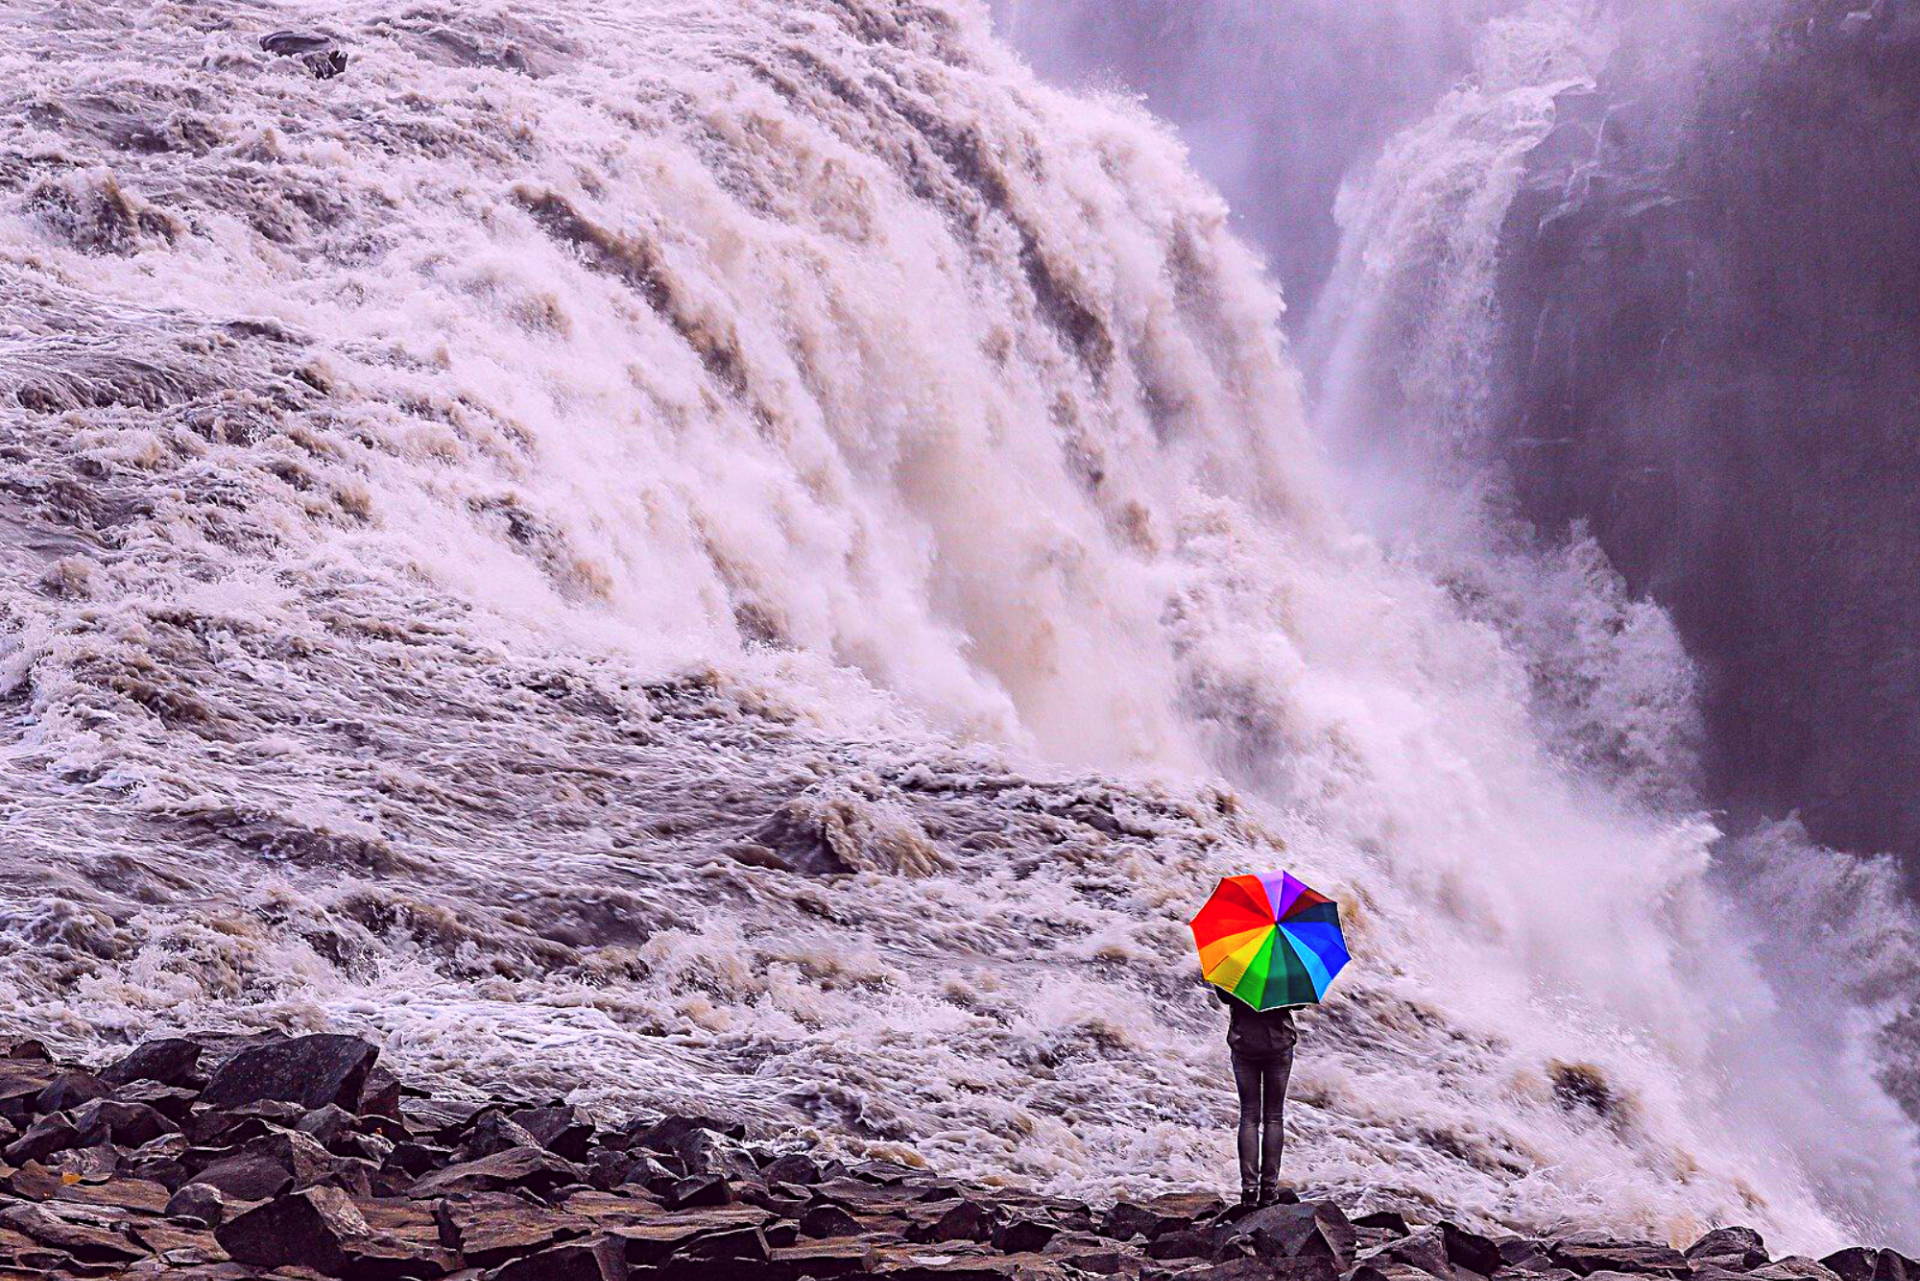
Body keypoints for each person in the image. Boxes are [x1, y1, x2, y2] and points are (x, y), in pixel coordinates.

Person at [1217, 986, 1296, 1206]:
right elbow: (1299, 1003)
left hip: (1244, 1044)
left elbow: (1224, 996)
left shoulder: (1237, 962)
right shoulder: (1284, 968)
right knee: (1274, 1117)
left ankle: (1249, 1190)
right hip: (1278, 1044)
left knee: (1249, 1116)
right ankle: (1269, 1190)